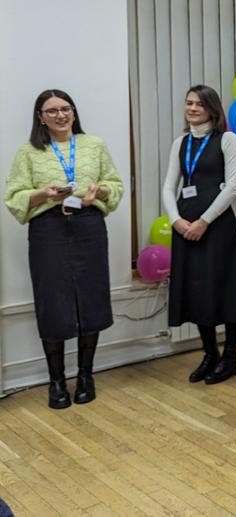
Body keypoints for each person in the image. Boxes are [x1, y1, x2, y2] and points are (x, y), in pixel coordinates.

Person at [4, 89, 123, 408]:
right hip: (48, 228)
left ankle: (86, 376)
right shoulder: (28, 152)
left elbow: (115, 185)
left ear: (74, 112)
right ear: (40, 117)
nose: (61, 115)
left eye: (66, 108)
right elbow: (13, 196)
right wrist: (44, 194)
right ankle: (56, 381)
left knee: (91, 296)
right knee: (52, 299)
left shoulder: (94, 145)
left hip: (88, 224)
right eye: (52, 111)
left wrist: (98, 192)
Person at [162, 85, 236, 385]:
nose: (192, 108)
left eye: (199, 104)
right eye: (188, 103)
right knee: (197, 291)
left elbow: (233, 185)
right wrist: (175, 220)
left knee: (227, 289)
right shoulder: (181, 142)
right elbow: (169, 186)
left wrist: (204, 221)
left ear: (212, 108)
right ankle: (210, 353)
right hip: (185, 228)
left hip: (217, 228)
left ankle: (231, 356)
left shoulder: (227, 139)